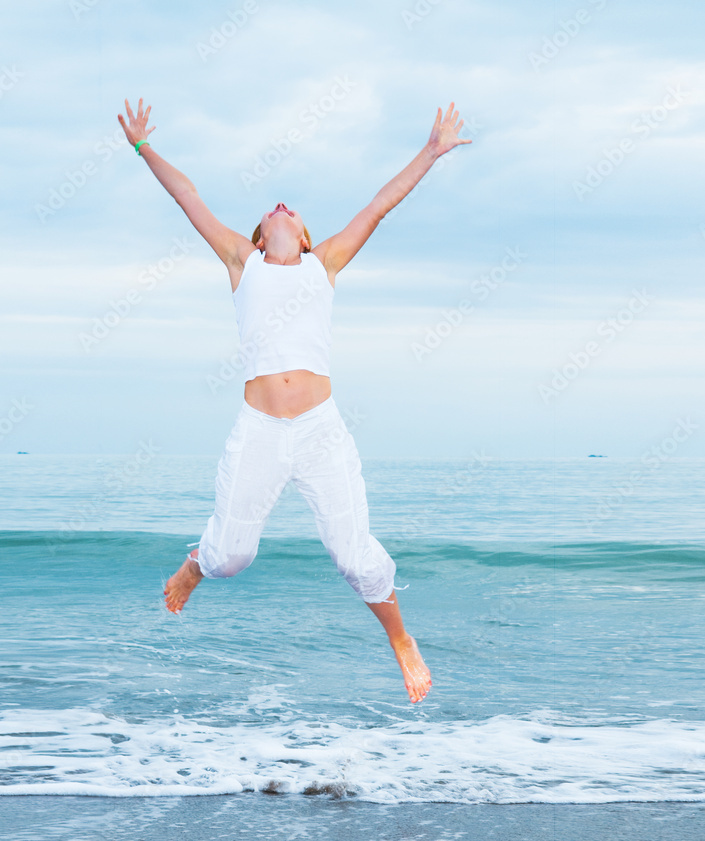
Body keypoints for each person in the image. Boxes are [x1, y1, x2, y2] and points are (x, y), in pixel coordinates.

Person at [117, 97, 471, 703]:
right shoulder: (241, 261)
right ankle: (195, 566)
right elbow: (188, 198)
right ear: (261, 234)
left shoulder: (324, 263)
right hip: (258, 429)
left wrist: (431, 152)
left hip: (319, 430)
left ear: (303, 235)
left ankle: (401, 640)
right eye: (271, 209)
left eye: (292, 209)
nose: (281, 207)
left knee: (356, 558)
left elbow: (379, 205)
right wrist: (143, 148)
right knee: (231, 555)